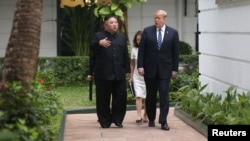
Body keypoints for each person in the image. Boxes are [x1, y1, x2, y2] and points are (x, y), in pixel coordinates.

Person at [137, 10, 180, 131]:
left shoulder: (173, 33)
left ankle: (163, 121)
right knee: (150, 96)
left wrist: (174, 69)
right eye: (155, 18)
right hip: (150, 70)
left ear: (165, 19)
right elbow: (142, 51)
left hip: (165, 70)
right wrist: (140, 66)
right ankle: (151, 118)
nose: (156, 20)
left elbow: (175, 53)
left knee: (164, 95)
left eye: (159, 18)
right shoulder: (147, 31)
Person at [87, 15, 130, 128]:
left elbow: (125, 54)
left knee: (120, 97)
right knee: (103, 99)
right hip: (103, 74)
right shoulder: (98, 36)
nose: (114, 24)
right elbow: (91, 50)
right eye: (111, 22)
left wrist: (127, 69)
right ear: (105, 25)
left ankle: (117, 119)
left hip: (119, 73)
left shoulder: (121, 38)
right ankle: (105, 121)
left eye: (115, 22)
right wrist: (98, 44)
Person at [129, 30, 148, 124]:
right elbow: (132, 64)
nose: (139, 41)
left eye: (141, 39)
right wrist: (131, 76)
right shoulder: (134, 50)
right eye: (138, 40)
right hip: (137, 76)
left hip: (147, 76)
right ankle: (139, 115)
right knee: (138, 96)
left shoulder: (150, 50)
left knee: (148, 97)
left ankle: (145, 115)